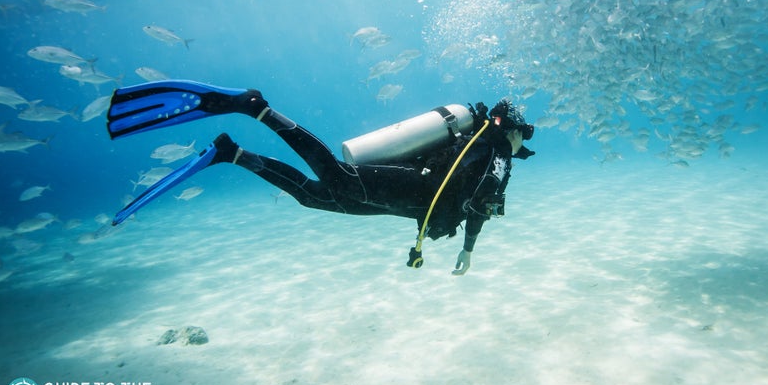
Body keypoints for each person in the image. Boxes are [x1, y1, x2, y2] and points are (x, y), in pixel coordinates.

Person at [106, 80, 534, 275]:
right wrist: (471, 239)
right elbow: (479, 202)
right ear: (513, 132)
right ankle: (256, 107)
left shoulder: (486, 148)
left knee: (317, 197)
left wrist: (469, 248)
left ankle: (231, 153)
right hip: (414, 188)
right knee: (337, 177)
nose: (520, 150)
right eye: (522, 142)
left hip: (411, 201)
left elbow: (473, 203)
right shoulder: (498, 151)